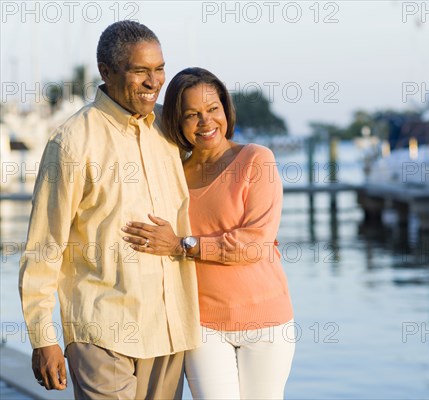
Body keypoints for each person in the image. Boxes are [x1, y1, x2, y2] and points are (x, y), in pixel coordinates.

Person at [19, 21, 201, 398]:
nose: (154, 82)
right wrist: (43, 337)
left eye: (159, 68)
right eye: (140, 71)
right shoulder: (71, 143)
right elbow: (44, 246)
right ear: (107, 72)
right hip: (101, 332)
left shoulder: (169, 131)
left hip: (169, 332)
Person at [121, 67, 295, 399]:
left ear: (225, 110)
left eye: (212, 109)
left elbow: (255, 244)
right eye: (192, 114)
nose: (205, 122)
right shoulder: (173, 175)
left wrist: (182, 245)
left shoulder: (257, 160)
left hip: (267, 323)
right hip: (202, 324)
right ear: (177, 120)